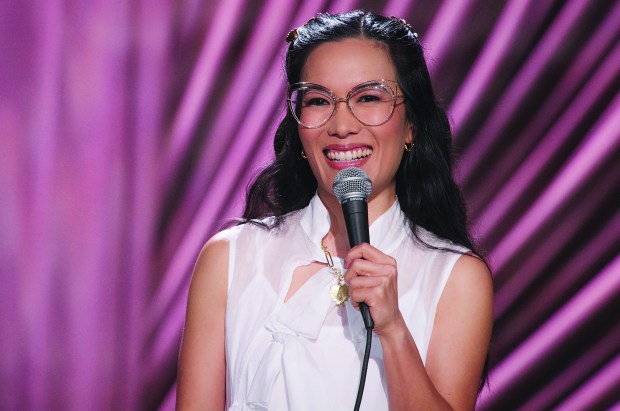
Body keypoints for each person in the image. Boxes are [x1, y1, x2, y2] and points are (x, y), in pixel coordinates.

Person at [176, 10, 493, 411]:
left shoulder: (455, 276)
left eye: (369, 98)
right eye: (318, 101)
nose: (342, 125)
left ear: (411, 125)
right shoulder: (231, 257)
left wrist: (394, 331)